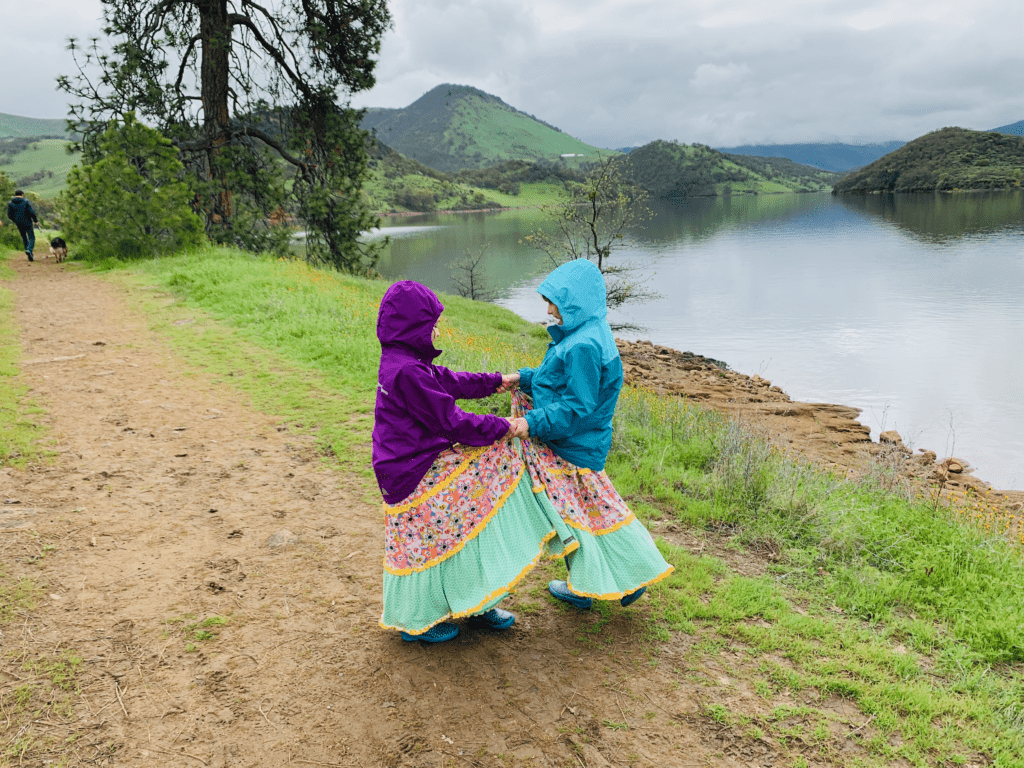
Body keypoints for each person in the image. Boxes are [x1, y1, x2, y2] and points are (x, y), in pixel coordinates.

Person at [373, 280, 573, 643]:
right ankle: (422, 619)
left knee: (471, 518)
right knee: (485, 488)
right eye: (431, 324)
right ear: (411, 326)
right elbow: (454, 421)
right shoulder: (406, 371)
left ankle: (477, 599)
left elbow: (448, 381)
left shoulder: (406, 361)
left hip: (413, 460)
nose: (435, 331)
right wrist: (508, 427)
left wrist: (496, 381)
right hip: (410, 470)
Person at [505, 259, 674, 609]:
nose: (550, 310)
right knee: (588, 513)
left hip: (574, 445)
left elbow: (576, 407)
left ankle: (609, 581)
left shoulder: (583, 345)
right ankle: (601, 582)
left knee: (579, 515)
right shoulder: (588, 333)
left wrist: (530, 423)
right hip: (580, 442)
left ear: (576, 301)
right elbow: (558, 379)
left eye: (556, 302)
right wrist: (525, 378)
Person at [6, 190, 39, 262]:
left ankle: (28, 251)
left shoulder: (10, 203)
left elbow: (9, 215)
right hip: (27, 222)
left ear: (15, 195)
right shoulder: (26, 201)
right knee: (31, 237)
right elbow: (31, 212)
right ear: (22, 194)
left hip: (18, 223)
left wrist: (15, 220)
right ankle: (29, 250)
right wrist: (35, 221)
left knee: (24, 237)